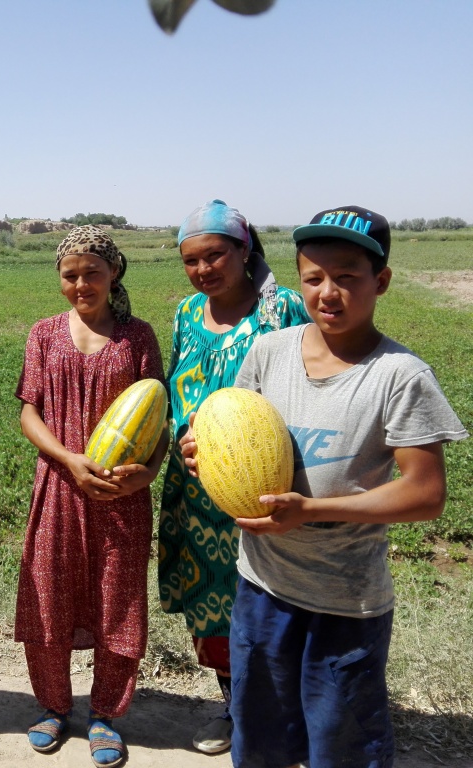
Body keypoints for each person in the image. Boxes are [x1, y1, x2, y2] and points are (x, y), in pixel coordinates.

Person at [181, 205, 468, 768]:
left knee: (341, 743)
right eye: (313, 278)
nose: (328, 292)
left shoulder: (399, 375)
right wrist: (203, 451)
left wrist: (311, 509)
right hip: (260, 586)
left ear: (380, 282)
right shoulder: (269, 353)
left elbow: (426, 493)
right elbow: (233, 426)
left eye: (347, 277)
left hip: (345, 601)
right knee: (259, 737)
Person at [157, 200, 311, 754]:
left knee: (271, 602)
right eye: (192, 260)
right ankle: (233, 704)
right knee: (213, 606)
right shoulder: (184, 314)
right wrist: (182, 434)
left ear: (244, 250)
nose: (204, 270)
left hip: (263, 484)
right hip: (196, 492)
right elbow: (178, 383)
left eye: (216, 255)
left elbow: (311, 384)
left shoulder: (282, 309)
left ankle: (285, 709)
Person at [14, 226, 168, 767]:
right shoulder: (43, 334)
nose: (81, 283)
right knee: (48, 595)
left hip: (120, 495)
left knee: (117, 602)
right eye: (70, 274)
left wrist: (146, 474)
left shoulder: (139, 337)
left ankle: (105, 714)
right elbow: (28, 411)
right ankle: (53, 707)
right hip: (59, 485)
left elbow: (159, 418)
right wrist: (69, 460)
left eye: (92, 273)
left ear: (114, 273)